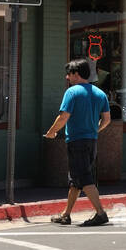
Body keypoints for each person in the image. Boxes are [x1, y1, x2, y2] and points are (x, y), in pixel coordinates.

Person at [43, 60, 111, 226]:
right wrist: (95, 130)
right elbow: (107, 120)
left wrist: (52, 132)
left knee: (85, 178)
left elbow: (63, 116)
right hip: (91, 141)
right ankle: (66, 215)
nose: (67, 77)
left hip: (77, 141)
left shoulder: (72, 92)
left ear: (76, 74)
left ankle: (101, 213)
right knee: (76, 180)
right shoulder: (100, 94)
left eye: (69, 73)